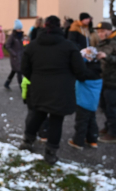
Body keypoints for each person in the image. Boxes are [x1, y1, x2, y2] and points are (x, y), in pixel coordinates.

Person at [20, 16, 97, 164]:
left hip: (39, 88)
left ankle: (27, 142)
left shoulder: (33, 45)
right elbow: (80, 70)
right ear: (60, 27)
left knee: (37, 115)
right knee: (56, 121)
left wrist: (36, 78)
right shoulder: (69, 46)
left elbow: (25, 69)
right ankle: (50, 153)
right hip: (62, 91)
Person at [68, 47, 103, 150]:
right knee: (92, 120)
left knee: (81, 121)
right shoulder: (96, 68)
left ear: (88, 57)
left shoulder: (86, 71)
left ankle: (78, 141)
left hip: (84, 101)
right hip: (92, 102)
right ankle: (92, 140)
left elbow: (80, 75)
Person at [95, 22, 116, 143]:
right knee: (104, 106)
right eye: (99, 32)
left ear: (109, 31)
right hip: (103, 78)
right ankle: (109, 127)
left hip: (113, 80)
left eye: (103, 31)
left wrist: (106, 57)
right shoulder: (103, 42)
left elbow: (108, 57)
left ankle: (113, 133)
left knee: (112, 107)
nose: (100, 34)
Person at [4, 19, 24, 90]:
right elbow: (7, 46)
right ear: (15, 28)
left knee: (14, 70)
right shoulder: (12, 36)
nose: (20, 30)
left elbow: (22, 46)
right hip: (15, 58)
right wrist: (13, 53)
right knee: (19, 71)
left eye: (21, 28)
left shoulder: (21, 36)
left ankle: (7, 83)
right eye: (19, 28)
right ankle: (22, 88)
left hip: (21, 57)